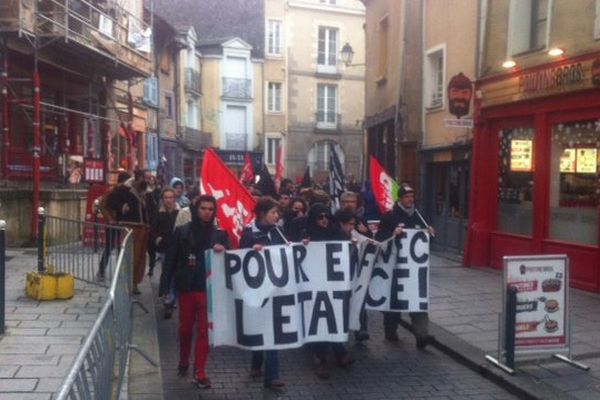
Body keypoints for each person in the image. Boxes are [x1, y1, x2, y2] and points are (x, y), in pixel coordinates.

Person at [162, 195, 229, 389]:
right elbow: (170, 259)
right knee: (185, 329)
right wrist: (165, 286)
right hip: (187, 288)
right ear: (196, 210)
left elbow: (230, 258)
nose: (207, 212)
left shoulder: (220, 234)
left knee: (204, 332)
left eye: (210, 209)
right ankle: (184, 359)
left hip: (209, 290)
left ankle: (199, 370)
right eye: (203, 208)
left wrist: (223, 249)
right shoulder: (183, 231)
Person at [374, 184, 435, 349]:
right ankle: (390, 328)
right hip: (395, 266)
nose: (410, 200)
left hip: (414, 269)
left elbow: (425, 242)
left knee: (417, 299)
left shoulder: (418, 216)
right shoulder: (390, 217)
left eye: (412, 197)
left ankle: (422, 335)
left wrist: (430, 234)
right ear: (400, 199)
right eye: (407, 197)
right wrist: (393, 234)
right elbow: (380, 238)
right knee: (395, 300)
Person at [302, 204, 355, 379]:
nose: (324, 220)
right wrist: (303, 246)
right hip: (315, 286)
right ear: (313, 219)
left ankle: (339, 351)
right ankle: (321, 358)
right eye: (319, 217)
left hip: (334, 285)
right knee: (319, 319)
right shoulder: (306, 233)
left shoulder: (337, 232)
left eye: (326, 216)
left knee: (334, 317)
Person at [239, 197, 287, 390]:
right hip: (257, 289)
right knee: (260, 328)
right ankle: (256, 363)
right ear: (261, 214)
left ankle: (272, 375)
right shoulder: (250, 232)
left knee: (272, 330)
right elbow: (240, 255)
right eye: (273, 213)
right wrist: (252, 251)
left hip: (275, 289)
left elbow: (285, 251)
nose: (277, 216)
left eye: (278, 213)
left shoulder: (278, 231)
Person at [105, 169, 150, 294]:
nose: (145, 181)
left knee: (140, 259)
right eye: (144, 178)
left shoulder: (146, 191)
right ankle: (125, 283)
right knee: (129, 257)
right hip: (129, 228)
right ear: (137, 178)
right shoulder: (122, 190)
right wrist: (121, 207)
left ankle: (135, 283)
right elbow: (109, 202)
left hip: (143, 228)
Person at [151, 187, 180, 318]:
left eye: (170, 197)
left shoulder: (180, 212)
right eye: (166, 197)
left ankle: (173, 297)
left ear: (174, 198)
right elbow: (153, 229)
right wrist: (158, 239)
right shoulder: (158, 213)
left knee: (175, 273)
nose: (168, 200)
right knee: (167, 272)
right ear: (162, 199)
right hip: (165, 248)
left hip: (178, 248)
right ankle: (168, 299)